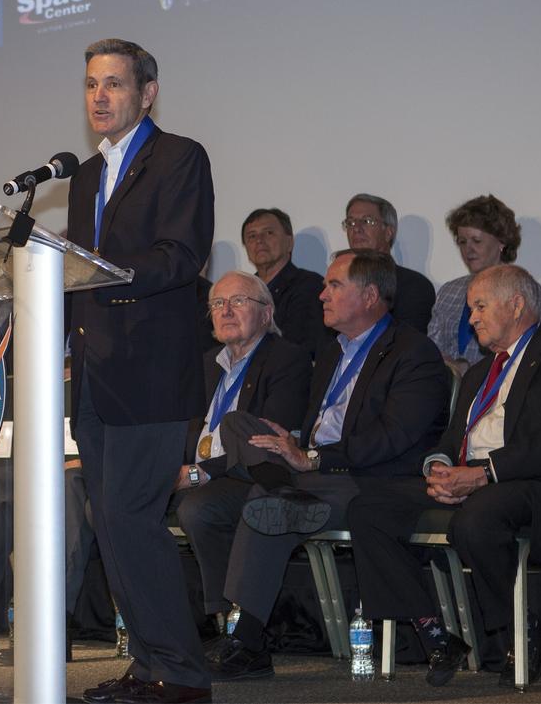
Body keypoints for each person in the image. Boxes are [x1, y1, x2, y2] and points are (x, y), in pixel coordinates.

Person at [206, 249, 448, 682]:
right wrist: (290, 442)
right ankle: (277, 480)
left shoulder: (414, 353)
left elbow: (392, 438)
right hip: (316, 475)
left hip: (370, 480)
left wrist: (313, 458)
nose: (321, 295)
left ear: (371, 295)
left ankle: (248, 640)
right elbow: (318, 424)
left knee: (266, 502)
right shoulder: (332, 351)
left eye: (335, 285)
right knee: (240, 426)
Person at [68, 38, 215, 704]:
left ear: (146, 92)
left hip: (151, 373)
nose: (100, 97)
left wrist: (111, 276)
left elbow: (181, 255)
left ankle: (181, 669)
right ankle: (151, 660)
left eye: (115, 85)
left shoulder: (179, 158)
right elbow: (68, 272)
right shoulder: (83, 177)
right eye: (92, 85)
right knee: (110, 521)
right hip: (94, 375)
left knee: (131, 516)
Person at [348, 264, 541, 688]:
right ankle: (433, 631)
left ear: (517, 304)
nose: (471, 318)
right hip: (476, 482)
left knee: (477, 518)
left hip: (538, 488)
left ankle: (522, 627)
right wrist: (438, 470)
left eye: (479, 306)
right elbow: (451, 441)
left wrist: (483, 474)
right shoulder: (478, 373)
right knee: (368, 508)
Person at [169, 271, 310, 621]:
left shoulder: (286, 360)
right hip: (193, 471)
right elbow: (181, 427)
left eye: (238, 301)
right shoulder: (205, 364)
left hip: (246, 476)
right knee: (123, 503)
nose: (226, 310)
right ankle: (166, 619)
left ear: (266, 313)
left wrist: (200, 474)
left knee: (197, 508)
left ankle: (221, 616)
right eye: (217, 303)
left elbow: (263, 441)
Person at [428, 194, 521, 375]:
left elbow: (520, 357)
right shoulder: (449, 291)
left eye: (476, 241)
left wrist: (468, 370)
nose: (467, 249)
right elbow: (432, 347)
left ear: (501, 242)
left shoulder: (522, 292)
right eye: (462, 241)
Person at [342, 193, 435, 332]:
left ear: (388, 232)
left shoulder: (414, 286)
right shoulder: (339, 284)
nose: (356, 228)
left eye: (367, 221)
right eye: (351, 222)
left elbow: (407, 345)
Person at [241, 208, 324, 354]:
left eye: (269, 233)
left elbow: (300, 347)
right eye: (252, 236)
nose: (259, 240)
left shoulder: (310, 286)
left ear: (290, 242)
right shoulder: (241, 293)